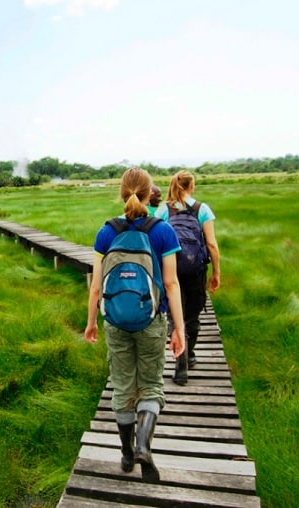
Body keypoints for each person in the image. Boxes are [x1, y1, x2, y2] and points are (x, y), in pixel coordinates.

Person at [85, 167, 185, 483]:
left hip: (114, 320)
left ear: (121, 192)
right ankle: (144, 444)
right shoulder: (163, 230)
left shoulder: (107, 232)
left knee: (122, 386)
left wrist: (91, 322)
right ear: (148, 192)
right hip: (152, 320)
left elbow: (96, 287)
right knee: (152, 384)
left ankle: (127, 454)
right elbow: (171, 284)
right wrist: (178, 328)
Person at [154, 170, 220, 385]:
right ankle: (189, 354)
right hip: (196, 270)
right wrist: (216, 272)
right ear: (191, 186)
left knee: (175, 315)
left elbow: (155, 242)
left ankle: (180, 365)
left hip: (170, 270)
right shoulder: (202, 209)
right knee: (192, 313)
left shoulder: (164, 210)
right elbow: (211, 244)